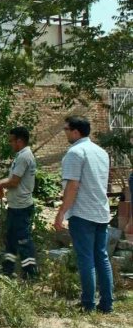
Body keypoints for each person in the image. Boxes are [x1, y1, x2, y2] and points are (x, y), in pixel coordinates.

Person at [55, 115, 113, 314]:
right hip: (101, 211)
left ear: (75, 132)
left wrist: (62, 212)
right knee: (101, 258)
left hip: (82, 213)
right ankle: (107, 304)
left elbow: (73, 186)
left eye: (66, 130)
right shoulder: (101, 152)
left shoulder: (75, 153)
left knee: (86, 259)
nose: (65, 133)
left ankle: (88, 304)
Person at [0, 126, 38, 278]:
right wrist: (0, 184)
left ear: (19, 141)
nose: (10, 144)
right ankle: (8, 269)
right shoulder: (21, 155)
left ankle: (30, 272)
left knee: (23, 240)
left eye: (11, 141)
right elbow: (12, 179)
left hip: (21, 207)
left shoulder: (24, 156)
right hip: (15, 205)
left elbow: (14, 181)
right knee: (11, 239)